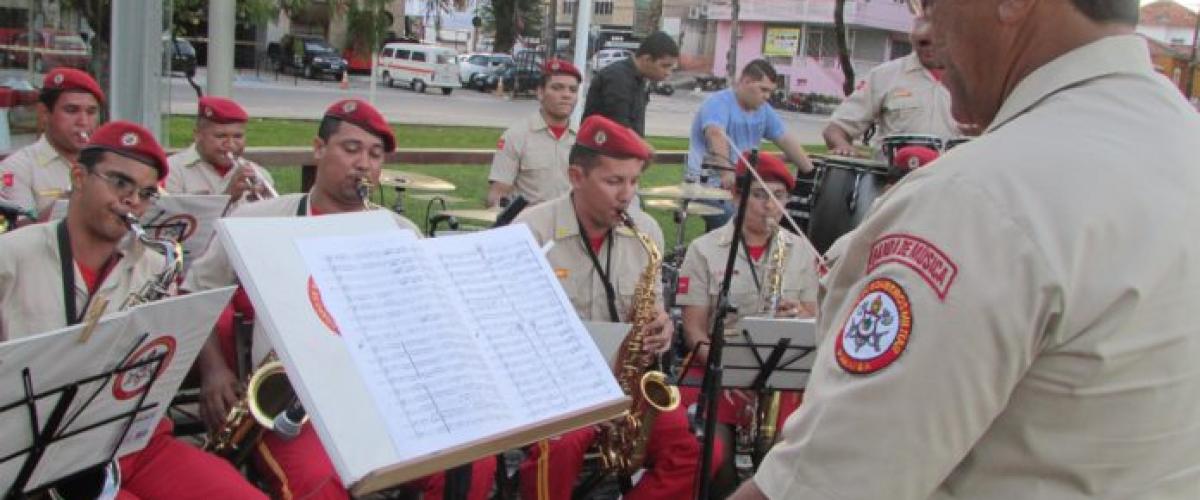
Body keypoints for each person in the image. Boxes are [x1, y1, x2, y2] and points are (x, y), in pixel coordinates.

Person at [732, 0, 1200, 497]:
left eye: (933, 3)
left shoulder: (978, 200)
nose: (926, 29)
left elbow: (825, 484)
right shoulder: (1181, 144)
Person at [182, 99, 494, 500]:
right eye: (351, 149)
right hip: (291, 406)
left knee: (473, 465)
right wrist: (214, 371)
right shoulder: (255, 220)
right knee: (319, 485)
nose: (364, 164)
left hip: (384, 400)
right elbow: (195, 292)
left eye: (375, 154)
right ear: (318, 149)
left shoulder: (400, 231)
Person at [0, 120, 267, 499]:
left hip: (132, 444)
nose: (133, 202)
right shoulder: (12, 255)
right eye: (119, 182)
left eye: (145, 193)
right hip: (36, 460)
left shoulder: (155, 265)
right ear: (79, 176)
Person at [513, 114, 718, 500]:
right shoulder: (530, 231)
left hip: (624, 384)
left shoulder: (646, 232)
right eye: (613, 181)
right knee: (558, 448)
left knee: (693, 452)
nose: (627, 195)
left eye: (634, 181)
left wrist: (662, 328)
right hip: (554, 389)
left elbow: (652, 308)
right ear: (576, 176)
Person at [675, 152, 820, 492]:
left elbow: (815, 316)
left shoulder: (800, 251)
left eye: (779, 197)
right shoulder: (704, 249)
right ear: (736, 196)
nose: (770, 206)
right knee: (716, 453)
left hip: (782, 373)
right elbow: (694, 328)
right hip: (718, 367)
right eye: (759, 195)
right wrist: (724, 365)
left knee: (788, 454)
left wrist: (800, 314)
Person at [686, 59, 816, 230]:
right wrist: (727, 173)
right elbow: (715, 134)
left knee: (779, 218)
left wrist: (811, 171)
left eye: (770, 92)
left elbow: (785, 139)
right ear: (746, 81)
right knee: (737, 224)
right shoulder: (718, 103)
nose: (767, 96)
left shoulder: (763, 110)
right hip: (706, 184)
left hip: (744, 187)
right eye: (763, 90)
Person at [822, 17, 960, 157]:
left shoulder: (973, 80)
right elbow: (835, 129)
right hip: (895, 176)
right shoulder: (884, 75)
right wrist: (844, 148)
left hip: (955, 175)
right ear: (913, 41)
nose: (930, 48)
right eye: (923, 43)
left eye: (937, 42)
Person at [0, 68, 103, 223]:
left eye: (91, 112)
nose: (84, 122)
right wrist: (71, 197)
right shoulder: (16, 168)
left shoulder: (106, 163)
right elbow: (15, 234)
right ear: (44, 114)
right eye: (71, 110)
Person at [486, 59, 581, 207]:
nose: (566, 95)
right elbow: (498, 194)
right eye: (557, 88)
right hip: (528, 225)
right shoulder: (516, 136)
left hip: (571, 226)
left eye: (573, 90)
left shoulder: (584, 140)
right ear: (540, 93)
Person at [165, 96, 275, 202]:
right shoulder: (171, 171)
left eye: (238, 136)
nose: (231, 145)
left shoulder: (259, 174)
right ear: (198, 135)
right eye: (221, 136)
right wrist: (227, 197)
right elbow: (175, 219)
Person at [582, 31, 679, 137]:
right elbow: (620, 128)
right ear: (647, 59)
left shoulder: (640, 79)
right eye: (665, 66)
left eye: (671, 68)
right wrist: (644, 149)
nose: (668, 73)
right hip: (603, 150)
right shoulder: (617, 78)